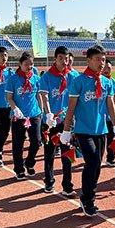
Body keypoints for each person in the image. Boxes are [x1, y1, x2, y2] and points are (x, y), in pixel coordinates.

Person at [61, 45, 115, 217]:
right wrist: (66, 131)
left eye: (103, 59)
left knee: (97, 166)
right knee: (92, 161)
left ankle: (88, 196)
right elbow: (71, 108)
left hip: (101, 130)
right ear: (88, 60)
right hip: (83, 130)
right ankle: (88, 198)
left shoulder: (107, 82)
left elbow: (111, 105)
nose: (101, 63)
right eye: (97, 59)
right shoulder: (78, 81)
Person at [39, 46, 78, 195]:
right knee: (49, 153)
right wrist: (48, 114)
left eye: (66, 58)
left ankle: (67, 185)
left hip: (67, 122)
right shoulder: (47, 77)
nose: (64, 61)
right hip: (51, 122)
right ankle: (49, 182)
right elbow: (45, 96)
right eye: (61, 58)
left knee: (67, 153)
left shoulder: (73, 76)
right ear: (55, 59)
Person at [5, 52, 43, 180]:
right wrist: (15, 109)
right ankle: (19, 169)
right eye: (26, 64)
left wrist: (42, 111)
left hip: (34, 114)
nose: (29, 67)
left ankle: (30, 162)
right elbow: (9, 97)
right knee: (18, 143)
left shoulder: (36, 79)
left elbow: (39, 96)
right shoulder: (13, 79)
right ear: (20, 65)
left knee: (37, 142)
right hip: (19, 116)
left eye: (31, 64)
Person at [102, 59, 115, 167]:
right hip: (99, 115)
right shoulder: (97, 80)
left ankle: (111, 158)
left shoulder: (114, 82)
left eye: (109, 67)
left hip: (110, 116)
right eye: (105, 67)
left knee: (111, 137)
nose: (107, 69)